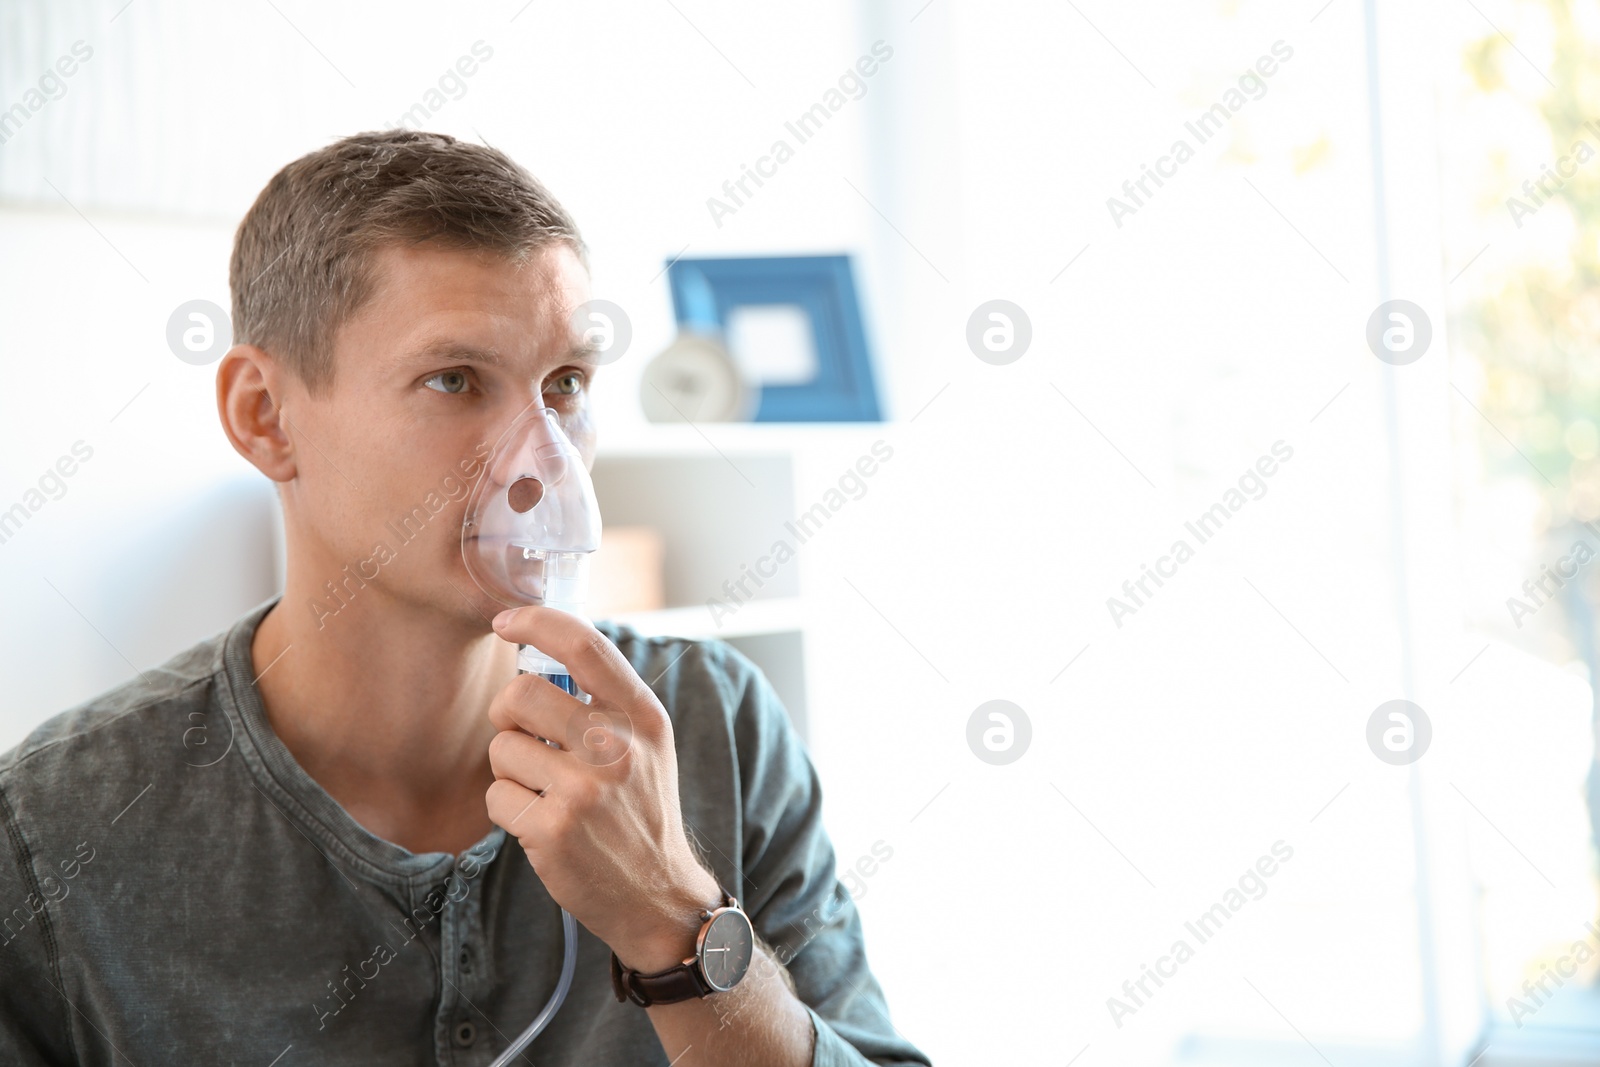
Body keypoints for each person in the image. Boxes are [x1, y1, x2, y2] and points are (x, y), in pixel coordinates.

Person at [0, 130, 931, 1067]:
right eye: (455, 380)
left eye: (564, 384)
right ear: (264, 416)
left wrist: (674, 921)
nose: (541, 464)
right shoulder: (55, 830)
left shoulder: (710, 729)